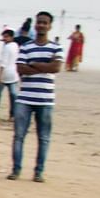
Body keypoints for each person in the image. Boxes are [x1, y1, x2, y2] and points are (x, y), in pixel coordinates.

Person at [12, 11, 62, 182]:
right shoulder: (26, 46)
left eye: (44, 23)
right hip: (25, 98)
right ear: (35, 25)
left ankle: (38, 172)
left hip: (46, 99)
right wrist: (44, 66)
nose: (41, 25)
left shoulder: (56, 47)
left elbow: (56, 68)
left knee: (44, 138)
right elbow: (20, 69)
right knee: (19, 136)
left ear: (50, 26)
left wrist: (33, 64)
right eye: (39, 22)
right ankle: (16, 170)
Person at [0, 27, 20, 118]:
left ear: (11, 37)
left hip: (5, 74)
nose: (4, 39)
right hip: (14, 74)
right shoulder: (16, 45)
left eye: (6, 37)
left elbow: (3, 63)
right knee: (13, 95)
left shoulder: (7, 47)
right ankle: (13, 114)